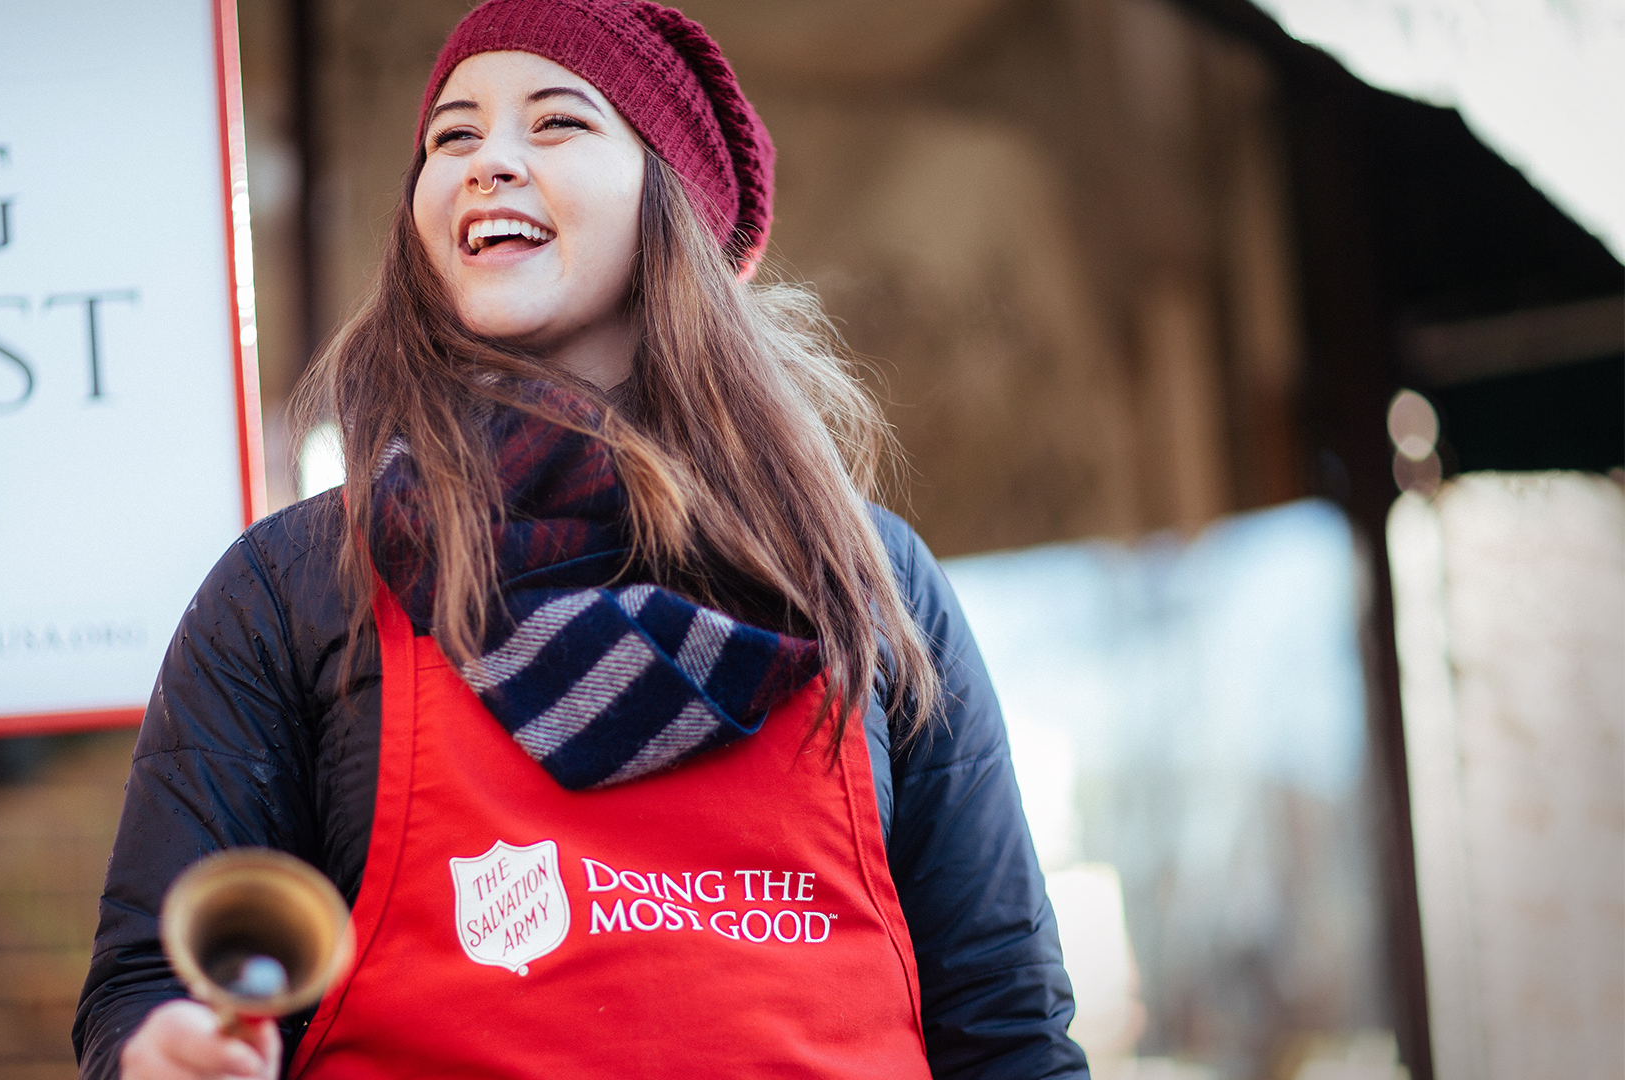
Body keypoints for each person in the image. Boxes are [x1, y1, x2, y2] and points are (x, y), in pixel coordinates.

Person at [75, 1, 1087, 1077]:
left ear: (675, 207)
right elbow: (148, 991)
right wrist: (161, 1057)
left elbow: (1007, 1030)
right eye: (450, 137)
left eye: (555, 123)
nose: (485, 162)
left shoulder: (868, 583)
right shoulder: (293, 591)